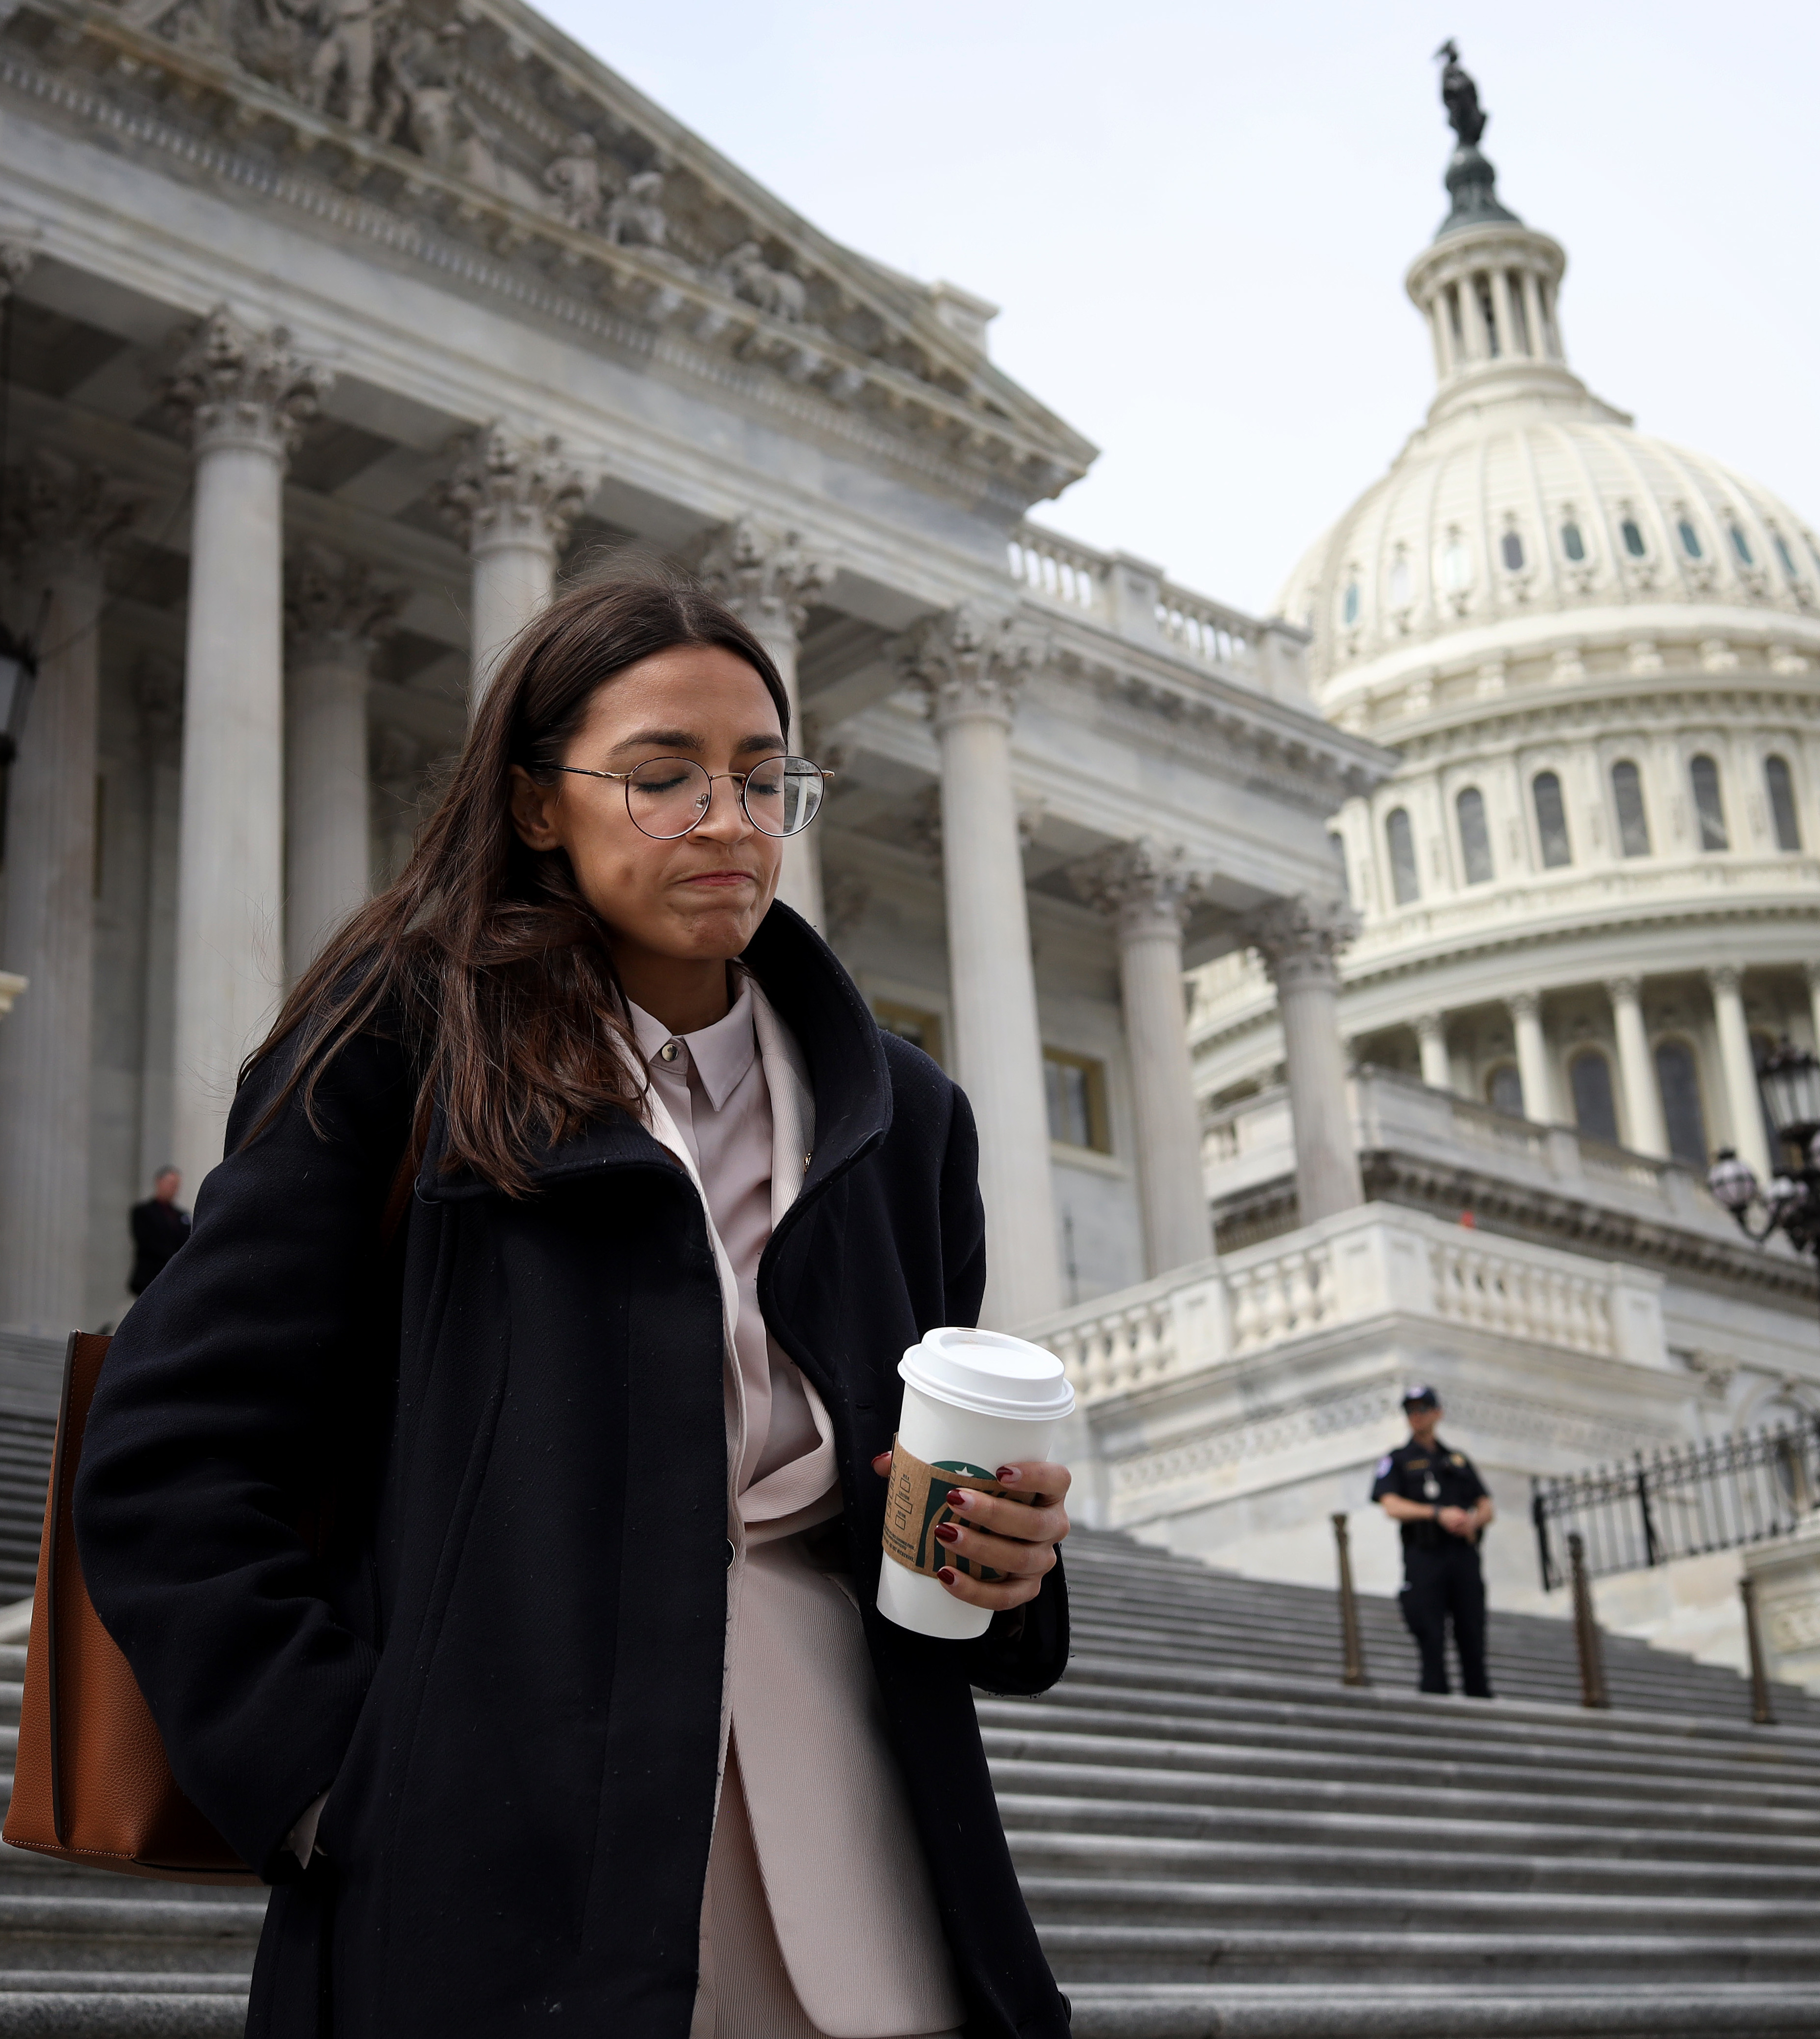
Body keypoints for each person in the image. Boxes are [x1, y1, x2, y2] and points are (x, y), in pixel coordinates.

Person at [72, 566, 1075, 2039]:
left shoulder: (901, 1115)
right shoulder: (398, 1040)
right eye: (661, 778)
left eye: (759, 778)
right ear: (539, 802)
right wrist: (342, 1779)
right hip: (502, 1868)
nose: (727, 821)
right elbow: (169, 1456)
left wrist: (1004, 1558)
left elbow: (906, 1495)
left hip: (874, 1857)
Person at [1370, 1383, 1494, 1697]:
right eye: (1411, 1411)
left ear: (1437, 1413)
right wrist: (1436, 1513)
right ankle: (1435, 1702)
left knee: (1472, 1634)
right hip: (1424, 1556)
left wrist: (1471, 1521)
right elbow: (1391, 1505)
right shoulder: (1397, 1459)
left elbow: (1486, 1505)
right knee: (1430, 1635)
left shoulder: (1458, 1461)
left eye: (1422, 1410)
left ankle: (1480, 1701)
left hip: (1462, 1556)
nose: (1417, 1417)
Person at [126, 1166, 189, 1296]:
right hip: (149, 1278)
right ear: (159, 1182)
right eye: (170, 1184)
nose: (174, 1189)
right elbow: (147, 1242)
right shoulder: (143, 1212)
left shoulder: (182, 1216)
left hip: (173, 1279)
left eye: (176, 1186)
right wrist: (174, 1257)